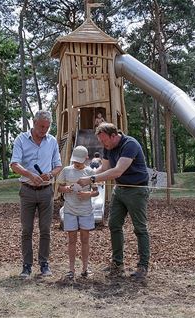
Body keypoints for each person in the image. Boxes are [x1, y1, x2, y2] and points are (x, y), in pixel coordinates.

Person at [77, 122, 150, 279]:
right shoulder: (108, 148)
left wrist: (91, 179)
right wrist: (88, 174)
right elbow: (103, 168)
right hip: (120, 190)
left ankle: (143, 266)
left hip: (137, 190)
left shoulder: (130, 144)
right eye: (101, 141)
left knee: (140, 228)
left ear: (114, 136)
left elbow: (117, 171)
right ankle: (117, 263)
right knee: (114, 224)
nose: (103, 144)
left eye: (104, 141)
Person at [11, 110, 62, 278]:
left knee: (45, 229)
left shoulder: (52, 141)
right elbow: (14, 164)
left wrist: (51, 174)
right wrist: (30, 175)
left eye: (47, 127)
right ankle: (26, 265)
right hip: (27, 191)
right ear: (34, 123)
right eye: (41, 126)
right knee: (27, 229)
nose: (44, 130)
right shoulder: (21, 139)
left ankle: (44, 264)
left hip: (46, 191)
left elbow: (58, 165)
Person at [57, 146, 99, 281]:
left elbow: (96, 191)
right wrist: (67, 188)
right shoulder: (66, 170)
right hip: (70, 209)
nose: (77, 163)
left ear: (86, 158)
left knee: (85, 239)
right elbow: (59, 187)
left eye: (79, 161)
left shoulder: (90, 171)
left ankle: (85, 268)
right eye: (75, 161)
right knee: (72, 240)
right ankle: (71, 269)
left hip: (85, 210)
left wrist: (88, 193)